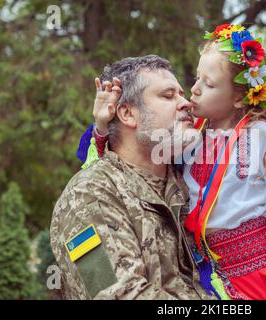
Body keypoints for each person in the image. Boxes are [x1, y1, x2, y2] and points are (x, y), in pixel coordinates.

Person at [87, 24, 266, 300]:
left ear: (238, 98)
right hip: (209, 278)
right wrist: (103, 126)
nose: (193, 91)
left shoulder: (261, 135)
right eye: (196, 79)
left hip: (261, 277)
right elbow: (123, 163)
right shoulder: (190, 138)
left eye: (208, 84)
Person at [50, 55, 214, 300]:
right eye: (168, 96)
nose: (186, 103)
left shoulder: (191, 186)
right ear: (127, 114)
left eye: (181, 94)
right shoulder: (87, 195)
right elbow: (117, 295)